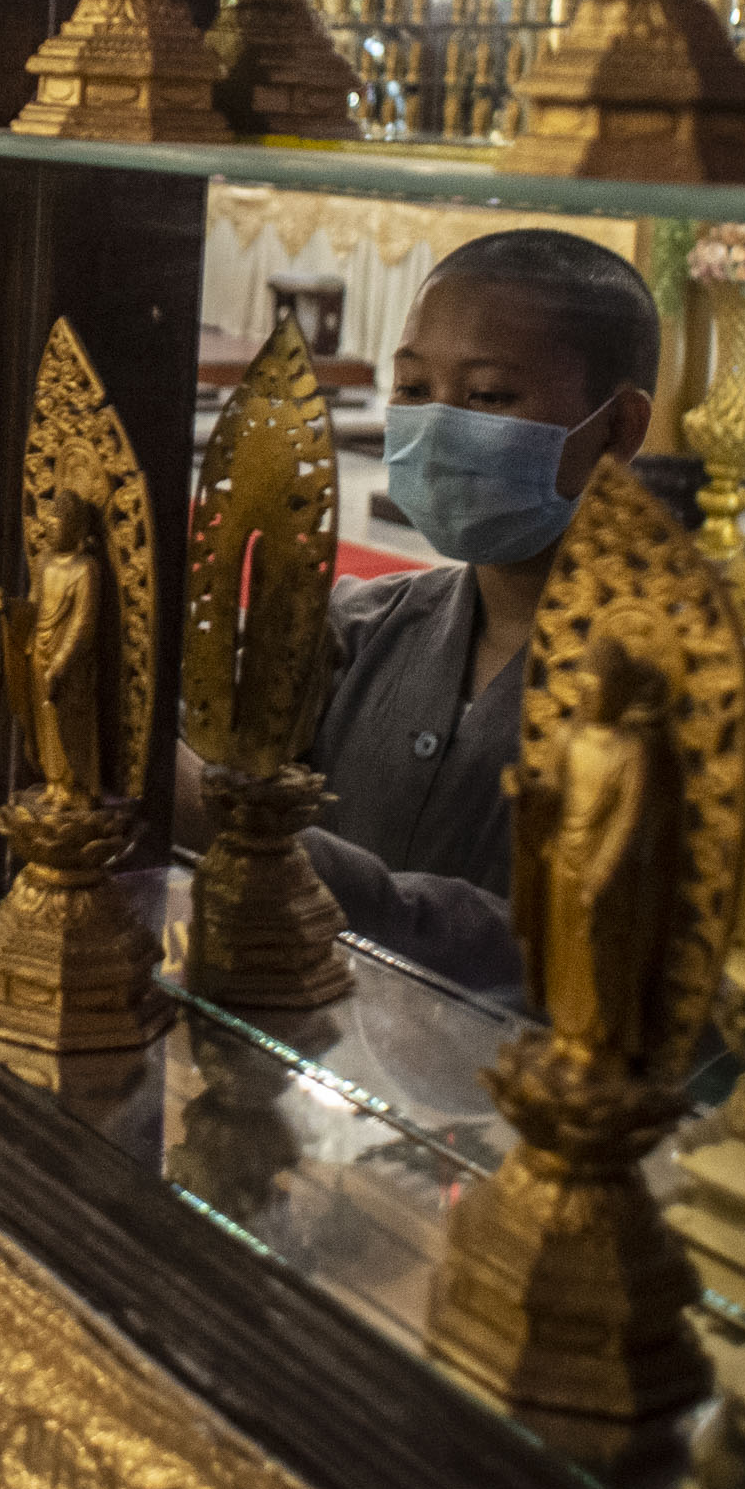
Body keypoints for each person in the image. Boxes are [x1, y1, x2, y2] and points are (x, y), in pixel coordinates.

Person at [283, 227, 659, 993]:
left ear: (617, 428)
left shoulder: (669, 693)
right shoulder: (358, 628)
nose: (436, 426)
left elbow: (568, 958)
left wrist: (273, 851)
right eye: (414, 391)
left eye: (488, 396)